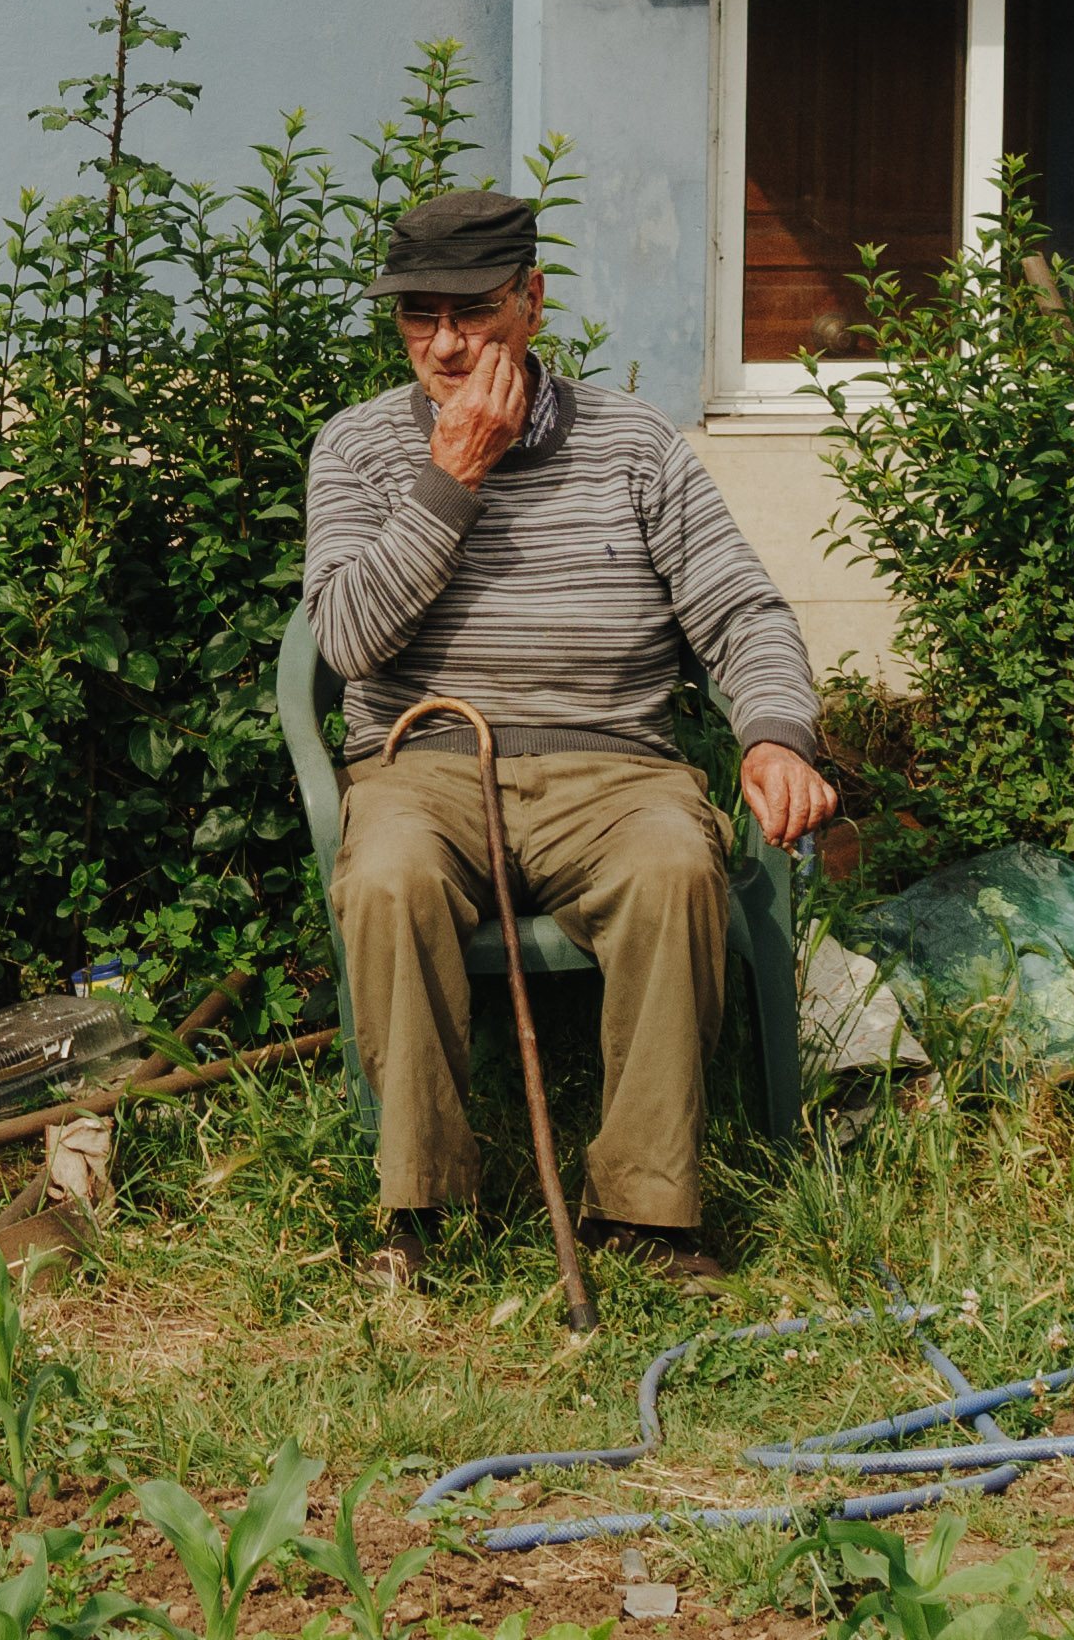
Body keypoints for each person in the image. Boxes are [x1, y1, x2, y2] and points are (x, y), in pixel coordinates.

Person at [304, 183, 837, 1301]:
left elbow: (745, 612)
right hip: (425, 765)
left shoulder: (636, 444)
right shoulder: (355, 448)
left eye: (473, 312)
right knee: (389, 877)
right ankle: (419, 1211)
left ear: (532, 302)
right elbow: (350, 638)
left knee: (676, 866)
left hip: (615, 768)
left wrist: (776, 734)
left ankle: (644, 1214)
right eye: (417, 316)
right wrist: (451, 477)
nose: (444, 344)